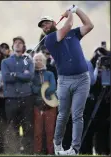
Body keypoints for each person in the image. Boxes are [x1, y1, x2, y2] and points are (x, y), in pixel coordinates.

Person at [38, 5, 94, 155]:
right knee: (63, 115)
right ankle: (58, 145)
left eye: (47, 23)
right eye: (42, 26)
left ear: (54, 23)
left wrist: (78, 9)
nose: (45, 27)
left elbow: (89, 25)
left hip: (83, 79)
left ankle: (74, 149)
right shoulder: (49, 39)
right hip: (64, 81)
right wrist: (70, 12)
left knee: (77, 115)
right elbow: (68, 24)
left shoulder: (74, 34)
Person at [1, 36, 34, 154]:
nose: (18, 44)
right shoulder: (5, 62)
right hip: (11, 99)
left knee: (28, 127)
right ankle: (13, 152)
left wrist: (14, 74)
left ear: (24, 46)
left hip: (26, 97)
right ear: (13, 46)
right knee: (12, 127)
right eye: (15, 43)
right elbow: (5, 77)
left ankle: (28, 152)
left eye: (20, 43)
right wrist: (21, 74)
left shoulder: (28, 61)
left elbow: (29, 76)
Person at [32, 52, 57, 155]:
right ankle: (37, 152)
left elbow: (53, 88)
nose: (38, 61)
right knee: (38, 132)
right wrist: (44, 88)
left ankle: (50, 152)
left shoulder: (50, 73)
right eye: (36, 60)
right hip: (37, 105)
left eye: (40, 59)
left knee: (50, 131)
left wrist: (41, 89)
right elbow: (33, 88)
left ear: (44, 61)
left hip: (50, 105)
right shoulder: (32, 75)